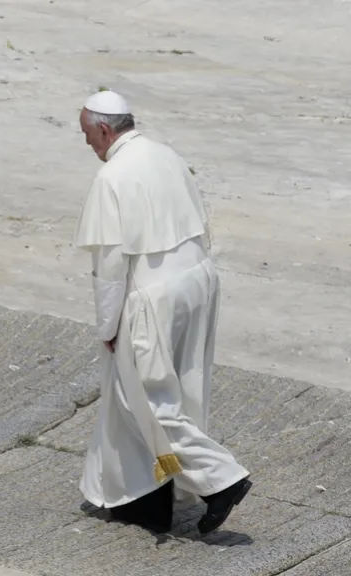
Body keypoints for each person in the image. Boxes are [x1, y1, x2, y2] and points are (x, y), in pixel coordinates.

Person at [74, 90, 252, 535]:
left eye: (87, 135)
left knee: (147, 400)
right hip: (198, 279)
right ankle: (148, 499)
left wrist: (108, 325)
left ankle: (221, 479)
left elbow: (110, 266)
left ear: (103, 129)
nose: (87, 144)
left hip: (153, 294)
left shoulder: (112, 176)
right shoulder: (165, 154)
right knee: (182, 390)